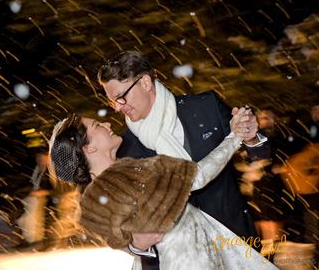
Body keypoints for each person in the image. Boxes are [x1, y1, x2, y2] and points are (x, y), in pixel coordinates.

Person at [97, 51, 270, 268]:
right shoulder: (126, 148)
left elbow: (259, 154)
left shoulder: (206, 106)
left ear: (145, 82)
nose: (119, 107)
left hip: (237, 241)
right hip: (183, 260)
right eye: (113, 101)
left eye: (122, 97)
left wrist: (252, 136)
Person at [49, 114, 277, 269]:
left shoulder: (100, 195)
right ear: (89, 147)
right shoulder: (134, 173)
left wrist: (136, 246)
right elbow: (198, 176)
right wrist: (234, 137)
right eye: (98, 126)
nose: (108, 125)